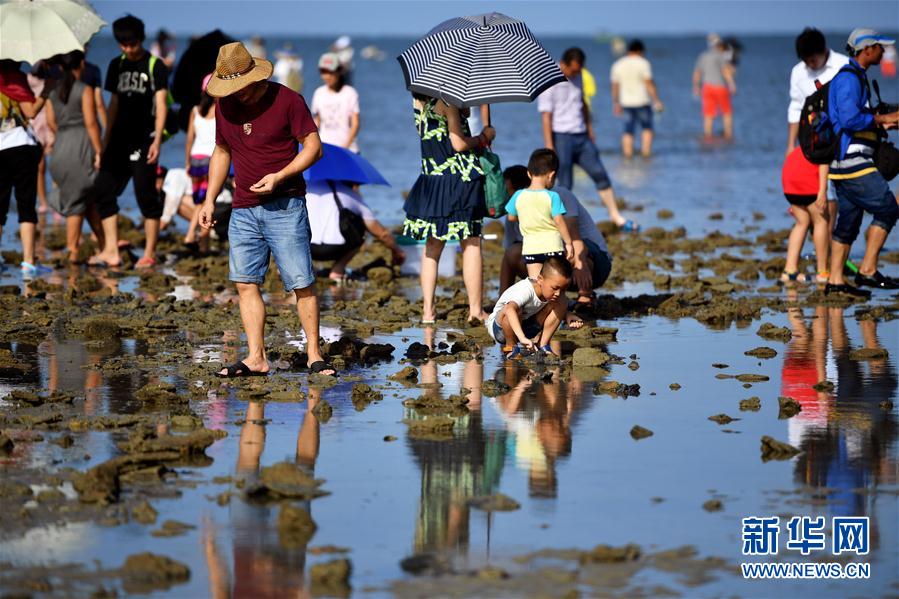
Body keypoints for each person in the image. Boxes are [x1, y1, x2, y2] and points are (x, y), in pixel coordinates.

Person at [199, 41, 331, 377]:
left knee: (301, 282)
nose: (236, 94)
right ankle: (256, 357)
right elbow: (222, 151)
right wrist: (209, 199)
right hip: (243, 208)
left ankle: (314, 354)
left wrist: (280, 176)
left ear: (256, 78)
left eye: (240, 87)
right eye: (230, 88)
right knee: (245, 283)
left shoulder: (288, 100)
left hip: (285, 205)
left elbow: (314, 148)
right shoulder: (224, 106)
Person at [403, 93, 495, 325]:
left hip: (432, 180)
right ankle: (475, 310)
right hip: (458, 181)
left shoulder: (419, 105)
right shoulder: (448, 103)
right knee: (471, 242)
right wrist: (483, 137)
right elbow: (458, 144)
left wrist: (463, 112)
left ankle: (428, 312)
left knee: (432, 246)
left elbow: (440, 137)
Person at [88, 15, 169, 268]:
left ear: (141, 40)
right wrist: (104, 141)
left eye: (132, 43)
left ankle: (149, 253)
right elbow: (113, 105)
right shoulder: (116, 65)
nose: (128, 48)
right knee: (102, 190)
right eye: (123, 44)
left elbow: (161, 103)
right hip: (118, 140)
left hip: (144, 140)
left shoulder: (155, 65)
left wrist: (156, 140)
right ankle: (111, 250)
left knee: (145, 196)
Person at [825, 29, 899, 297]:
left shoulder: (856, 77)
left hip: (842, 163)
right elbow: (848, 119)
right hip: (852, 162)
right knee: (889, 209)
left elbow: (855, 120)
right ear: (867, 50)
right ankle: (867, 270)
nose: (883, 51)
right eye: (880, 47)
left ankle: (835, 282)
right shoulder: (849, 79)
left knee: (849, 221)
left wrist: (882, 123)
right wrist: (880, 120)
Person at [538, 47, 636, 231]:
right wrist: (549, 144)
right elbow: (546, 116)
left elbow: (582, 103)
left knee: (600, 174)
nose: (576, 73)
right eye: (573, 70)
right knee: (565, 183)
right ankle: (559, 223)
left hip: (581, 136)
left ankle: (615, 216)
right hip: (561, 137)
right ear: (563, 64)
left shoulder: (580, 76)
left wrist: (590, 129)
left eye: (579, 70)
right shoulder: (549, 80)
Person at [501, 165, 613, 311]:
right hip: (553, 266)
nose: (505, 196)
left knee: (572, 250)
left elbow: (574, 237)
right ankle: (504, 300)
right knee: (512, 253)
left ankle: (586, 295)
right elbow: (509, 250)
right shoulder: (515, 209)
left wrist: (581, 263)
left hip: (594, 261)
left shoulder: (557, 195)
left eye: (508, 192)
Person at [45, 50, 103, 263]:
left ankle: (107, 247)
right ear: (82, 65)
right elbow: (91, 123)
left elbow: (51, 123)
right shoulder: (84, 90)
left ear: (60, 67)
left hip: (60, 148)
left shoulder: (52, 91)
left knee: (86, 200)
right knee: (77, 202)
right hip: (80, 147)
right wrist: (99, 150)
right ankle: (72, 252)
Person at [0, 59, 51, 275]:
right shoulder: (15, 77)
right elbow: (30, 111)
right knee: (26, 204)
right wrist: (47, 91)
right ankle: (28, 262)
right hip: (21, 146)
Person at [306, 179, 404, 282]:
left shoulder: (307, 189)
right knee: (360, 232)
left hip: (307, 249)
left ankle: (310, 270)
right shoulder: (350, 194)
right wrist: (398, 251)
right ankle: (337, 270)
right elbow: (381, 233)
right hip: (335, 248)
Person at [485, 257, 579, 360]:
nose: (558, 293)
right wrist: (522, 338)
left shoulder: (553, 293)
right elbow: (509, 309)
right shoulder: (525, 290)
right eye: (555, 288)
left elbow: (558, 307)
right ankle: (511, 348)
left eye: (563, 289)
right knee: (515, 310)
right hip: (500, 329)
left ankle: (543, 345)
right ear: (540, 279)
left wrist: (568, 315)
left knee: (562, 301)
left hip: (526, 326)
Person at [504, 149, 573, 279]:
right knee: (555, 285)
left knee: (537, 284)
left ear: (529, 174)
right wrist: (568, 243)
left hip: (531, 248)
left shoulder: (518, 195)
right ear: (551, 175)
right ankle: (557, 300)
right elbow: (559, 221)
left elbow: (511, 217)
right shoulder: (553, 196)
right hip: (553, 247)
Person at [786, 28, 849, 155]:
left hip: (842, 136)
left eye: (813, 60)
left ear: (824, 50)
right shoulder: (798, 72)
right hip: (812, 139)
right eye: (806, 61)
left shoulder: (844, 65)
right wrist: (791, 145)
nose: (810, 65)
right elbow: (796, 108)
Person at [780, 147, 831, 283]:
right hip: (807, 179)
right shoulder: (827, 138)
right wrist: (822, 191)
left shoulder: (807, 139)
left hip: (789, 178)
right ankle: (822, 272)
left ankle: (789, 271)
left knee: (802, 222)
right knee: (821, 221)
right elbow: (824, 162)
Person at [610, 39, 664, 158]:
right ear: (640, 50)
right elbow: (648, 83)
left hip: (625, 102)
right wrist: (656, 100)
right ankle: (646, 153)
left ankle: (627, 155)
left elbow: (615, 86)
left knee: (628, 130)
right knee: (647, 128)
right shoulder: (643, 63)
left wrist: (615, 102)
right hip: (642, 101)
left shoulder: (618, 64)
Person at [183, 73, 216, 252]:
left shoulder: (195, 111)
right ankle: (197, 239)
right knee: (207, 202)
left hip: (195, 159)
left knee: (199, 202)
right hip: (210, 160)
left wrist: (187, 162)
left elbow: (189, 138)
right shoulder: (220, 111)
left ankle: (200, 240)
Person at [311, 53, 360, 152]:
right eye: (323, 71)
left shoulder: (350, 93)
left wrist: (345, 147)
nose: (327, 76)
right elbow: (316, 122)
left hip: (348, 149)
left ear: (339, 71)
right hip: (325, 148)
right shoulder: (318, 93)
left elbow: (355, 124)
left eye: (331, 71)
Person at [692, 37, 737, 139]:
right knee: (727, 112)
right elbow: (726, 72)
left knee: (708, 114)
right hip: (720, 87)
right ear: (720, 45)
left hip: (707, 88)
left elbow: (697, 73)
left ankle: (708, 135)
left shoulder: (702, 56)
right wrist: (732, 84)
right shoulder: (721, 56)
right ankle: (728, 134)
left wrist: (696, 87)